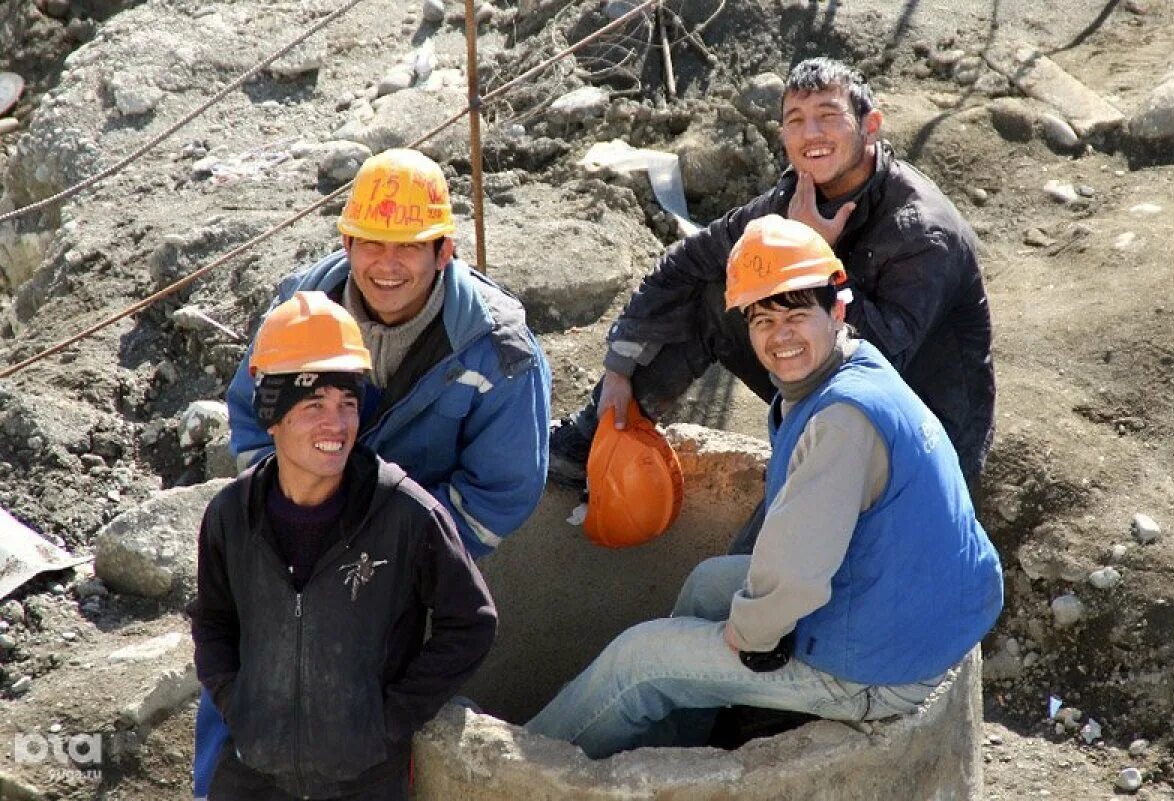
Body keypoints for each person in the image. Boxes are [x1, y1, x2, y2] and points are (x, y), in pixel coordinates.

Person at [525, 216, 1003, 759]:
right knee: (709, 584)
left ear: (837, 309)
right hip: (899, 604)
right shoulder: (857, 367)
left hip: (884, 665)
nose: (779, 337)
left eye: (797, 313)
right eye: (762, 319)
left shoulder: (842, 422)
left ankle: (522, 770)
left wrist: (751, 636)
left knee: (637, 664)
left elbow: (794, 574)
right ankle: (674, 749)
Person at [195, 147, 550, 798]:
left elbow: (502, 491)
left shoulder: (497, 346)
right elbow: (250, 417)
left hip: (411, 545)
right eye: (371, 244)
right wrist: (286, 508)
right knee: (249, 679)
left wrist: (401, 546)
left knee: (374, 709)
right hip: (295, 521)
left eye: (409, 247)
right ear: (349, 241)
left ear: (443, 250)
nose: (387, 265)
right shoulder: (302, 306)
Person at [549, 56, 995, 501]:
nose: (811, 135)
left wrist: (814, 252)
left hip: (921, 440)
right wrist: (619, 366)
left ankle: (800, 474)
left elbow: (880, 366)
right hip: (830, 395)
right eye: (795, 121)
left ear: (870, 124)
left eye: (828, 116)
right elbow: (688, 261)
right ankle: (602, 437)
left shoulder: (921, 231)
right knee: (716, 294)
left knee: (764, 562)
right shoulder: (798, 195)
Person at [188, 291, 496, 799]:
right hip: (252, 776)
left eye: (347, 403)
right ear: (274, 416)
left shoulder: (405, 514)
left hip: (366, 781)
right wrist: (238, 704)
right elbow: (213, 621)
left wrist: (387, 721)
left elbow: (471, 624)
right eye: (314, 405)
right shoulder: (231, 515)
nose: (336, 424)